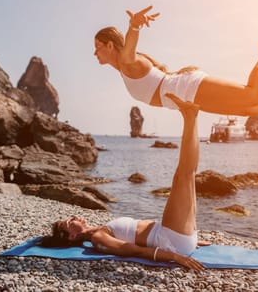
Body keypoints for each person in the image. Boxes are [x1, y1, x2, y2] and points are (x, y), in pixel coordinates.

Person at [94, 6, 258, 143]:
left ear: (110, 46)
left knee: (254, 94)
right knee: (252, 107)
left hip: (188, 89)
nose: (95, 53)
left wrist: (134, 26)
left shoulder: (126, 63)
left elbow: (130, 53)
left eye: (98, 47)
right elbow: (159, 75)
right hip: (187, 95)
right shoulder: (128, 66)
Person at [38, 94, 208, 270]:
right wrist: (174, 255)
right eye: (69, 222)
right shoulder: (98, 238)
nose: (74, 217)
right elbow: (133, 250)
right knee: (183, 175)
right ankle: (190, 116)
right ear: (71, 236)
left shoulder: (100, 230)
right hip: (171, 239)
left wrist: (189, 239)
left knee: (189, 174)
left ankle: (191, 116)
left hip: (175, 235)